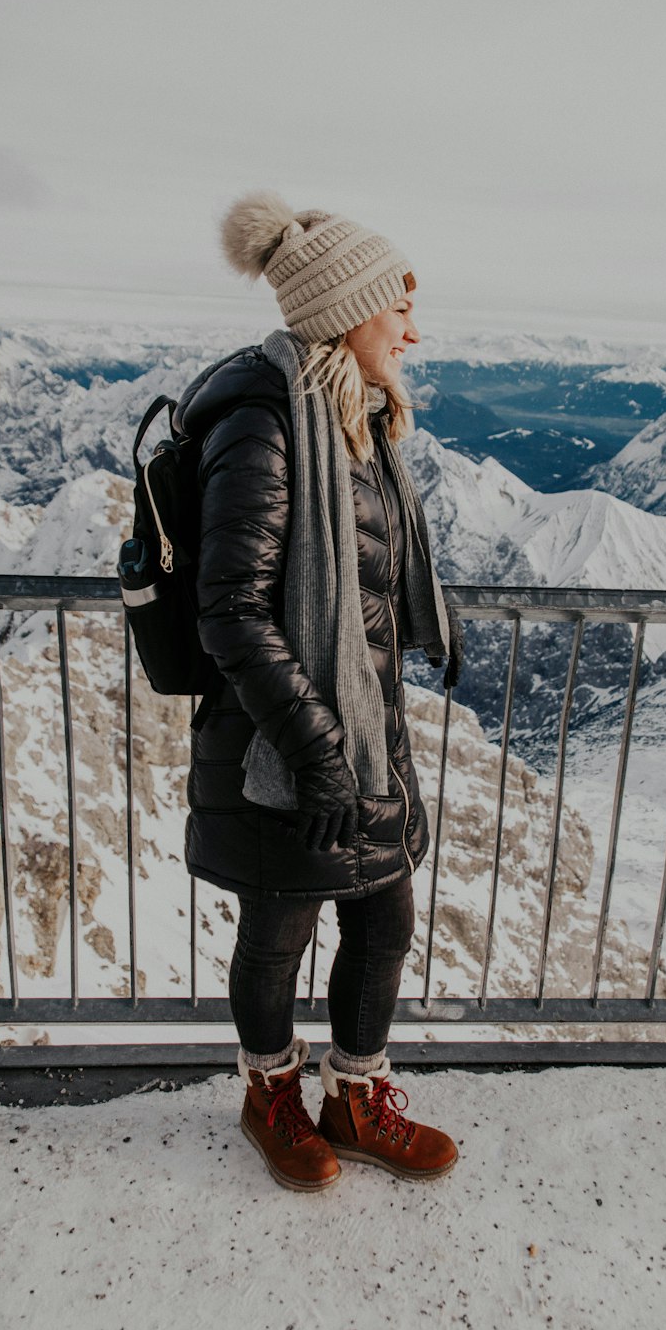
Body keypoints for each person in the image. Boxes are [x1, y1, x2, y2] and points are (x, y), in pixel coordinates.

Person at [173, 192, 465, 1192]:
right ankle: (271, 1099)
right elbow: (232, 613)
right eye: (398, 310)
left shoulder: (357, 424)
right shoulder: (266, 427)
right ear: (346, 312)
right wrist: (314, 749)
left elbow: (369, 597)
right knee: (280, 934)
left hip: (364, 733)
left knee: (384, 925)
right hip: (287, 745)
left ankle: (354, 1097)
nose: (414, 332)